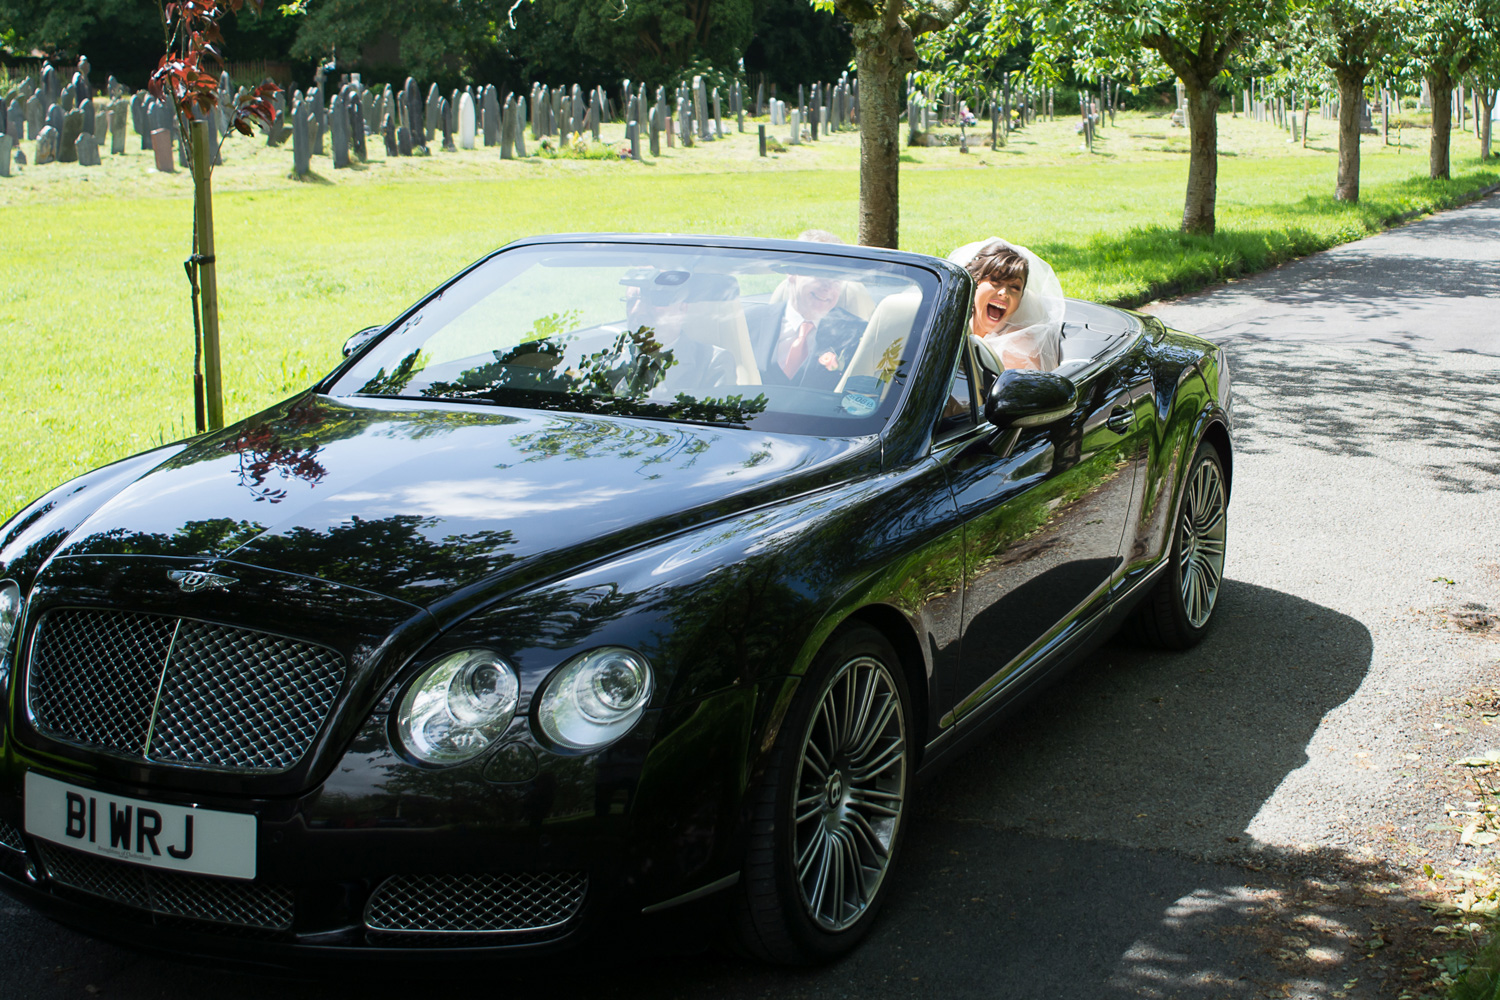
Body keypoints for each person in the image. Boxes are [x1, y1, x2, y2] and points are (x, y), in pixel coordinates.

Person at [745, 232, 866, 390]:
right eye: (820, 276)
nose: (828, 288)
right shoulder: (749, 322)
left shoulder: (858, 335)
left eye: (836, 280)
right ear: (792, 274)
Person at [948, 237, 1065, 371]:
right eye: (996, 281)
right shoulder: (949, 325)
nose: (1004, 292)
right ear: (975, 283)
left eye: (1015, 287)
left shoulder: (1018, 346)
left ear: (1021, 298)